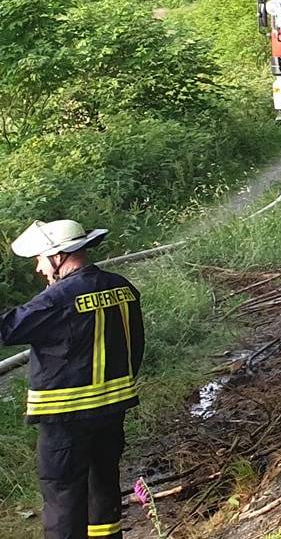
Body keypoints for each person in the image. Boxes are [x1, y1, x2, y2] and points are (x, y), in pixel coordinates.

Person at [3, 220, 144, 539]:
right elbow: (135, 344)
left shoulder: (58, 299)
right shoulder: (122, 287)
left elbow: (8, 328)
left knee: (63, 497)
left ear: (58, 255)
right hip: (112, 412)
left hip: (65, 421)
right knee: (103, 487)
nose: (39, 268)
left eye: (40, 259)